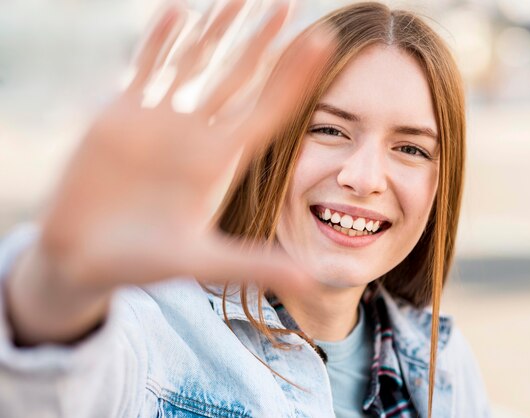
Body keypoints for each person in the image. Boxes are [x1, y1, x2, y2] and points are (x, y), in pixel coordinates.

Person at [0, 1, 491, 417]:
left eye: (411, 149)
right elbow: (41, 391)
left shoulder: (442, 365)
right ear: (270, 148)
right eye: (329, 130)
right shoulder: (157, 337)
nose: (362, 178)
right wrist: (55, 287)